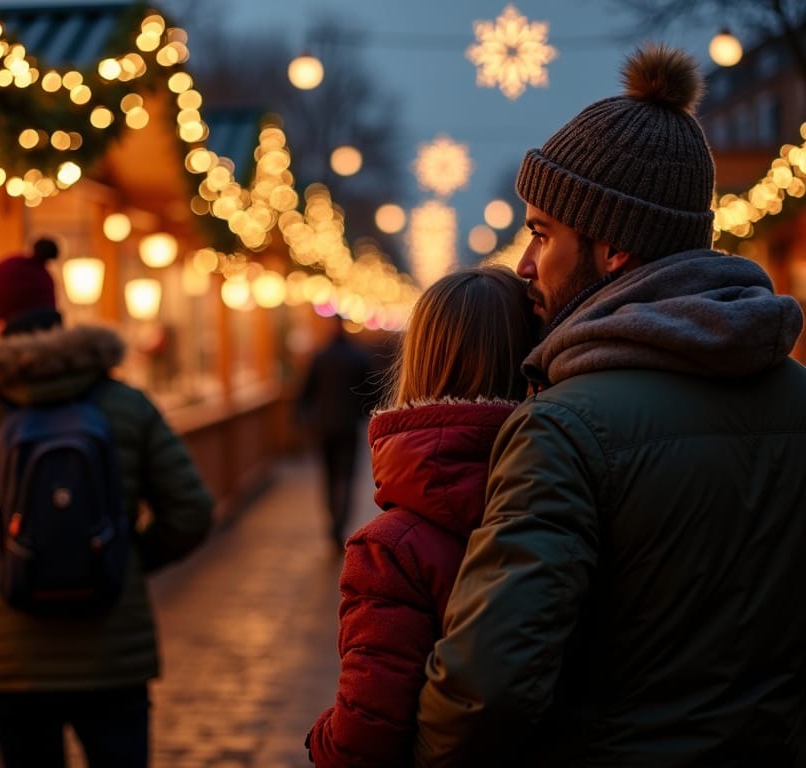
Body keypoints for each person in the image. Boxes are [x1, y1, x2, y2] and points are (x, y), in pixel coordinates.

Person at [414, 44, 806, 767]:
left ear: (614, 249)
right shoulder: (798, 396)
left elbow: (485, 690)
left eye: (542, 233)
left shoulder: (561, 429)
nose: (525, 266)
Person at [0, 237, 214, 768]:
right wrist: (126, 558)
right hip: (112, 652)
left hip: (8, 656)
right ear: (56, 313)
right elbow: (191, 511)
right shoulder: (125, 403)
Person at [306, 266, 537, 767]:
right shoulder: (583, 491)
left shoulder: (393, 548)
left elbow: (361, 740)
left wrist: (318, 739)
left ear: (420, 362)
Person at [295, 314, 376, 549]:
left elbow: (306, 392)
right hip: (349, 426)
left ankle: (333, 522)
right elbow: (371, 392)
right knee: (348, 477)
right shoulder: (358, 356)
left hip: (324, 426)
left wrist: (302, 418)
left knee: (329, 477)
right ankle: (341, 522)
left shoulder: (320, 356)